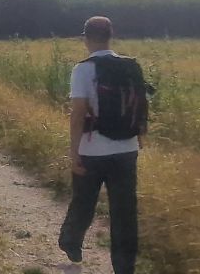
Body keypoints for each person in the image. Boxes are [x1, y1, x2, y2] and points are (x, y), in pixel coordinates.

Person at [59, 16, 144, 274]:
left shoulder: (83, 69)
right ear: (110, 36)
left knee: (84, 201)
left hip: (92, 151)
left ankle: (70, 242)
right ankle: (124, 268)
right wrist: (139, 138)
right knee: (124, 213)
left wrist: (73, 152)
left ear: (85, 38)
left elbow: (78, 114)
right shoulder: (132, 67)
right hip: (127, 150)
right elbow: (141, 107)